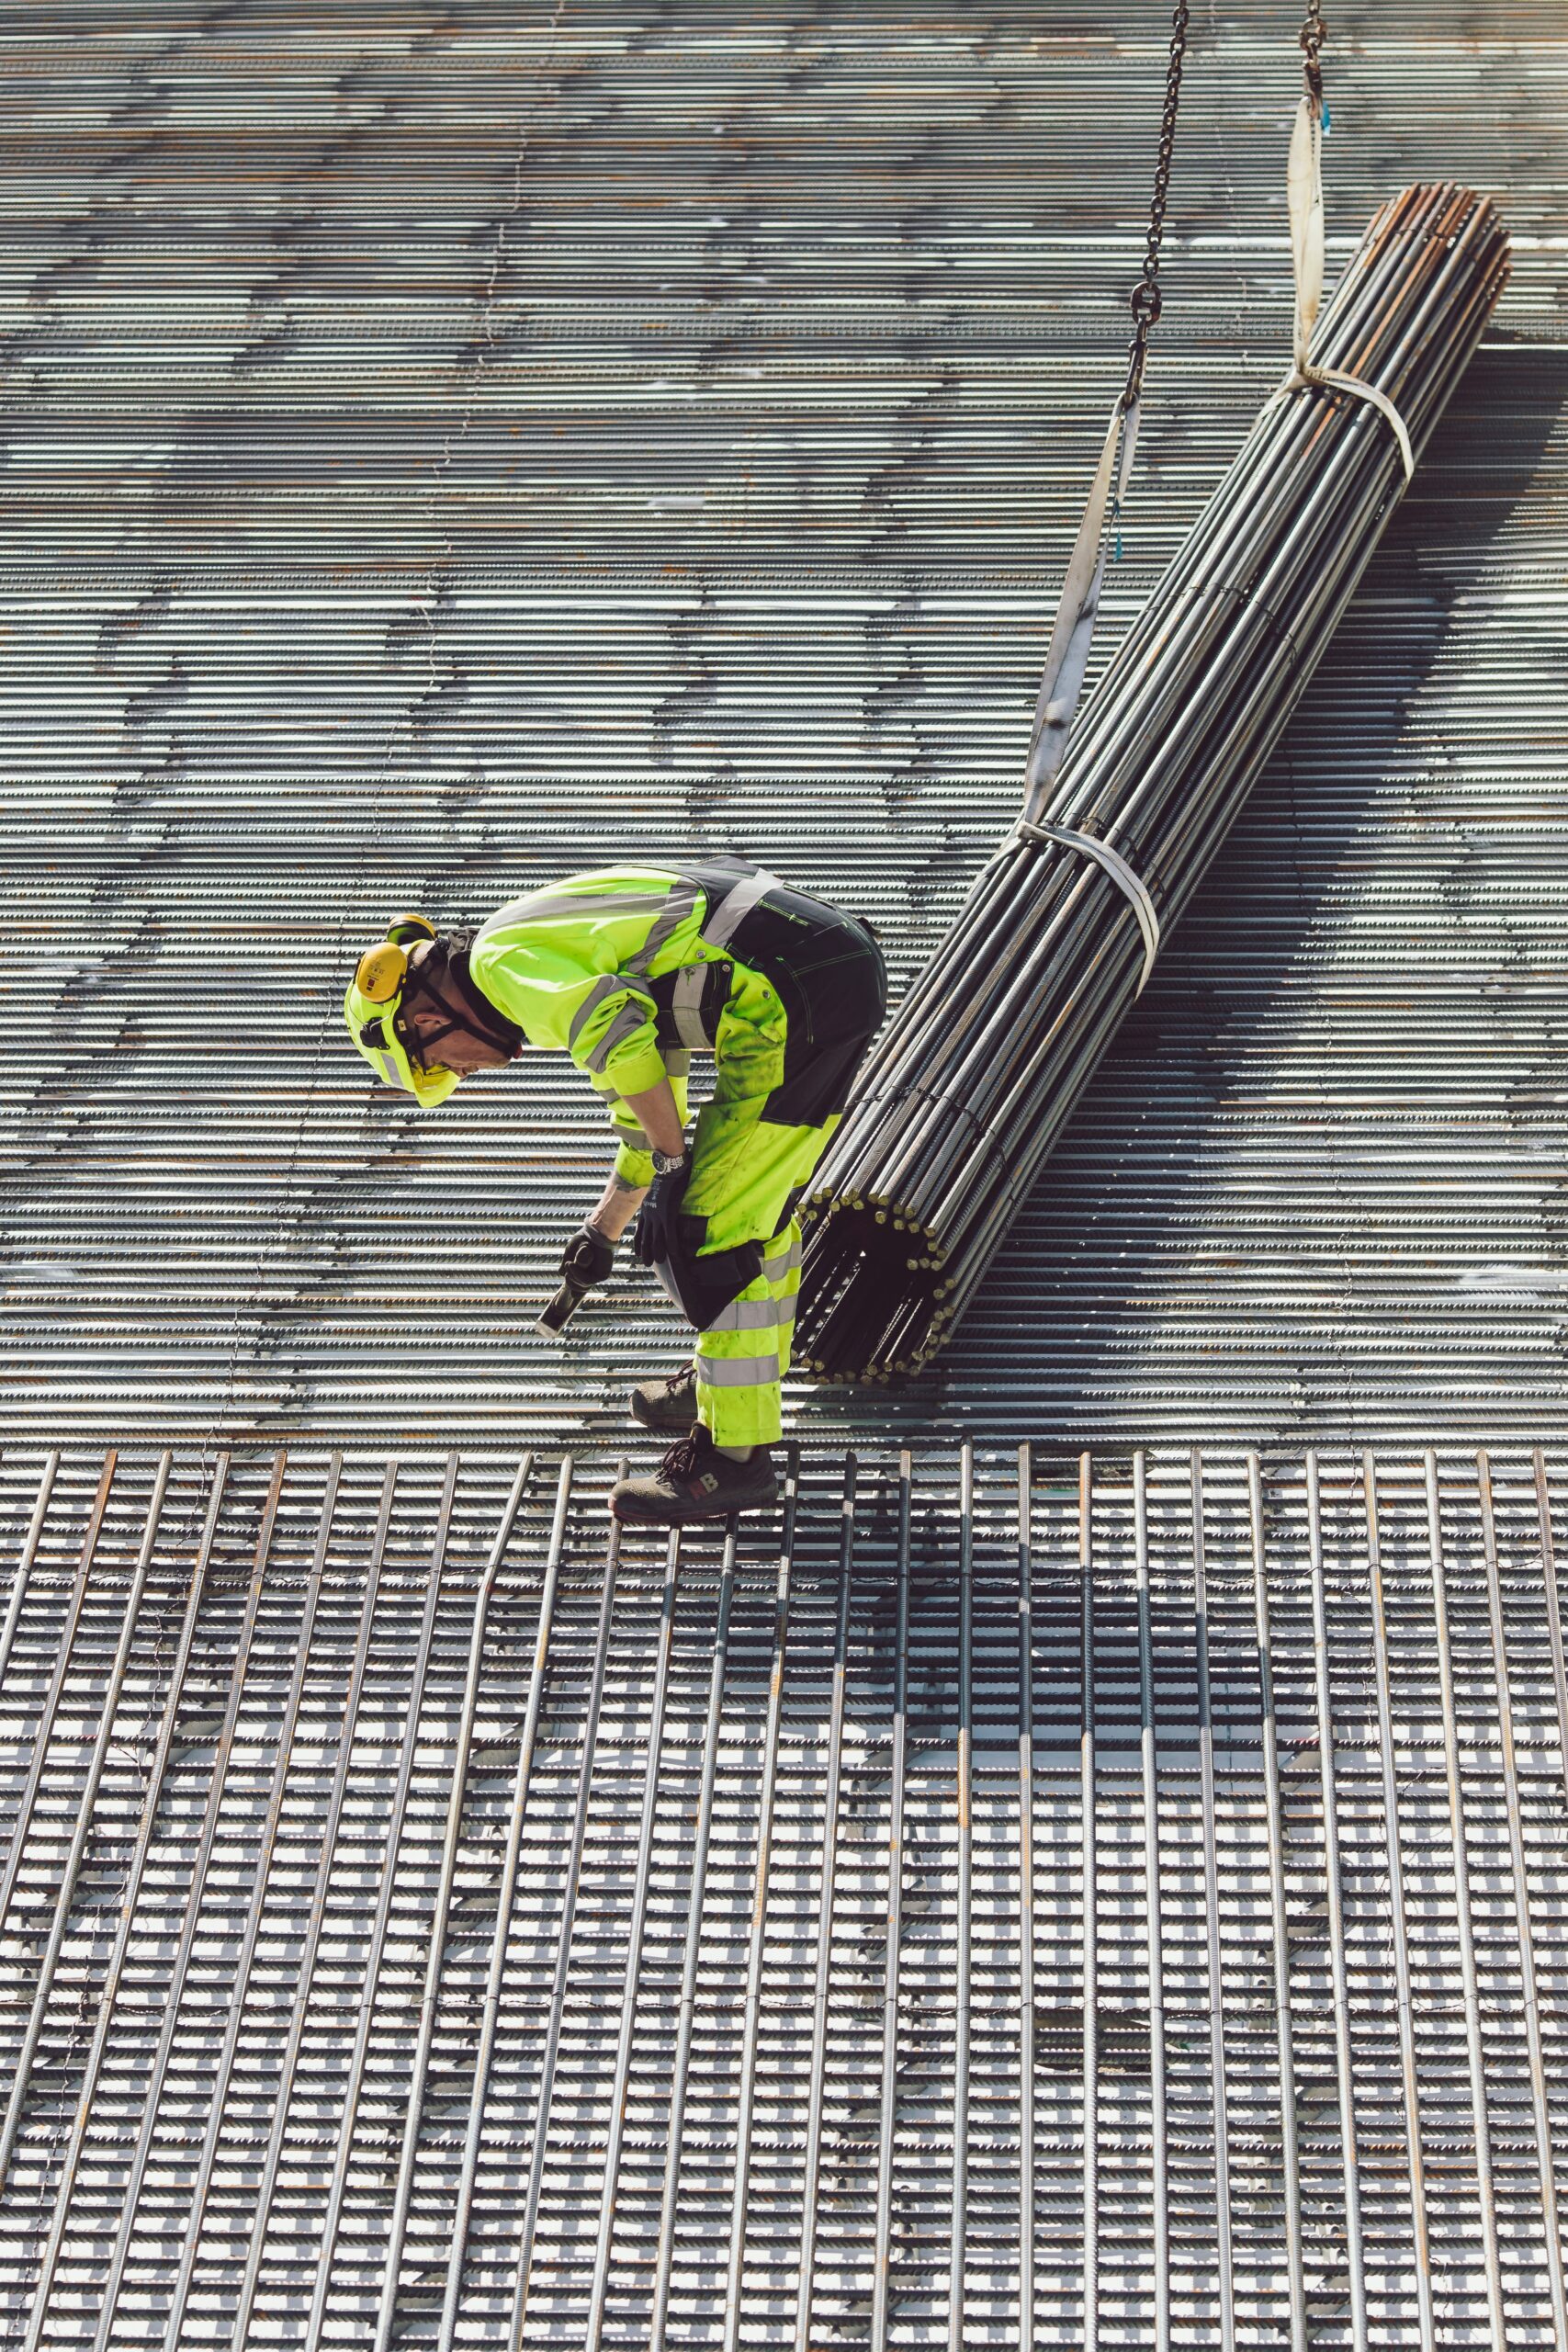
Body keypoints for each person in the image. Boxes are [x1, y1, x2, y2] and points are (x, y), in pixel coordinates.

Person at [342, 859, 886, 1523]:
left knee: (711, 1232)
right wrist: (604, 1227)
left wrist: (671, 1169)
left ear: (424, 1022)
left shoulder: (502, 970)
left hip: (794, 993)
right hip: (813, 978)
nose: (465, 1070)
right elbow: (649, 1082)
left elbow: (622, 1046)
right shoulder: (525, 946)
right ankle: (727, 1389)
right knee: (749, 1215)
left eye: (445, 1064)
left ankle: (732, 1462)